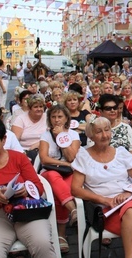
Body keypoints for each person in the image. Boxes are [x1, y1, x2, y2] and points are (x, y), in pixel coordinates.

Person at [0, 115, 56, 257]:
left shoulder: (18, 158)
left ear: (4, 139)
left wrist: (26, 190)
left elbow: (38, 187)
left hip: (25, 212)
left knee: (42, 244)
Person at [71, 117, 132, 258]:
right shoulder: (83, 155)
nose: (104, 135)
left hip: (129, 200)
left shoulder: (121, 153)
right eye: (99, 132)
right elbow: (75, 189)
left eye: (107, 130)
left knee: (131, 210)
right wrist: (104, 200)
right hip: (105, 209)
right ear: (91, 136)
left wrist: (128, 192)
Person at [39, 104, 80, 253]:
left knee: (60, 191)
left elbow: (72, 156)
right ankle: (73, 210)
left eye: (60, 117)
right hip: (50, 171)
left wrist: (61, 137)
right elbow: (44, 159)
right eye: (53, 117)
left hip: (69, 172)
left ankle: (61, 235)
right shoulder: (45, 135)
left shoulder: (73, 135)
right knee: (53, 177)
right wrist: (62, 163)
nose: (56, 120)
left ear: (67, 118)